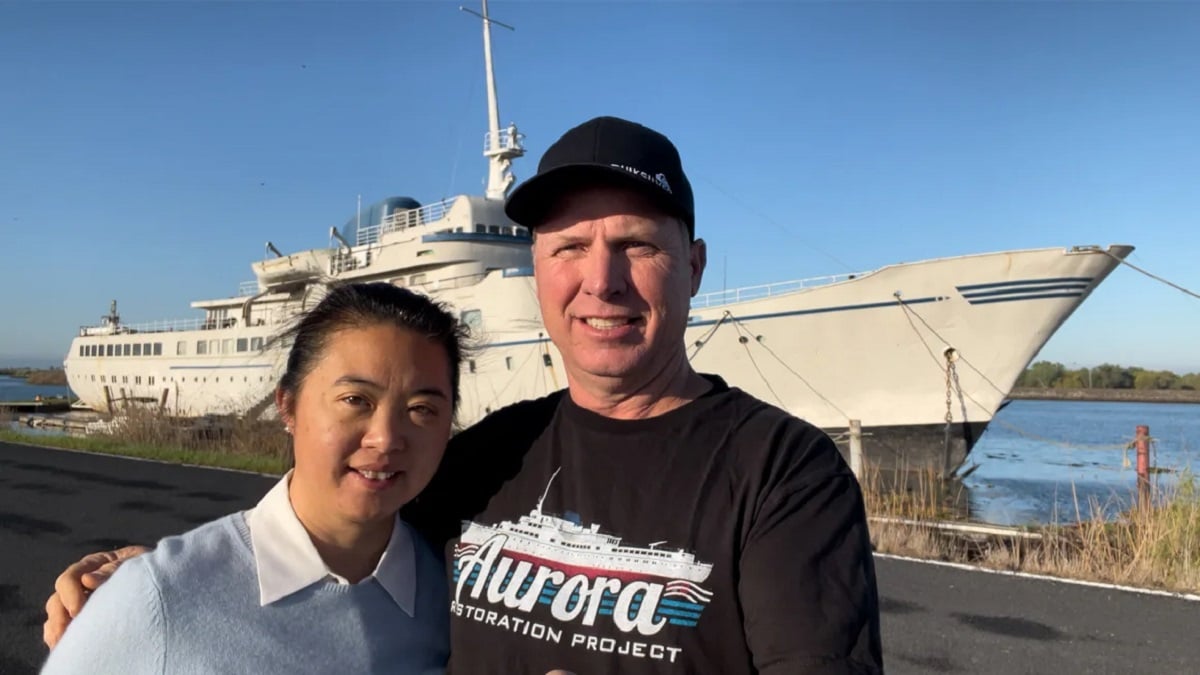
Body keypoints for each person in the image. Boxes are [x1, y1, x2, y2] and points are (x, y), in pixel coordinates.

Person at [45, 116, 884, 673]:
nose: (602, 279)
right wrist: (157, 584)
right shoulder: (489, 453)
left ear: (694, 266)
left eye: (636, 243)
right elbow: (336, 524)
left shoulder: (784, 473)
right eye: (568, 246)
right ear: (541, 269)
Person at [41, 282, 465, 674]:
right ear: (288, 406)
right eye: (355, 400)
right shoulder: (158, 597)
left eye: (421, 409)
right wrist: (136, 595)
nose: (386, 439)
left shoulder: (457, 597)